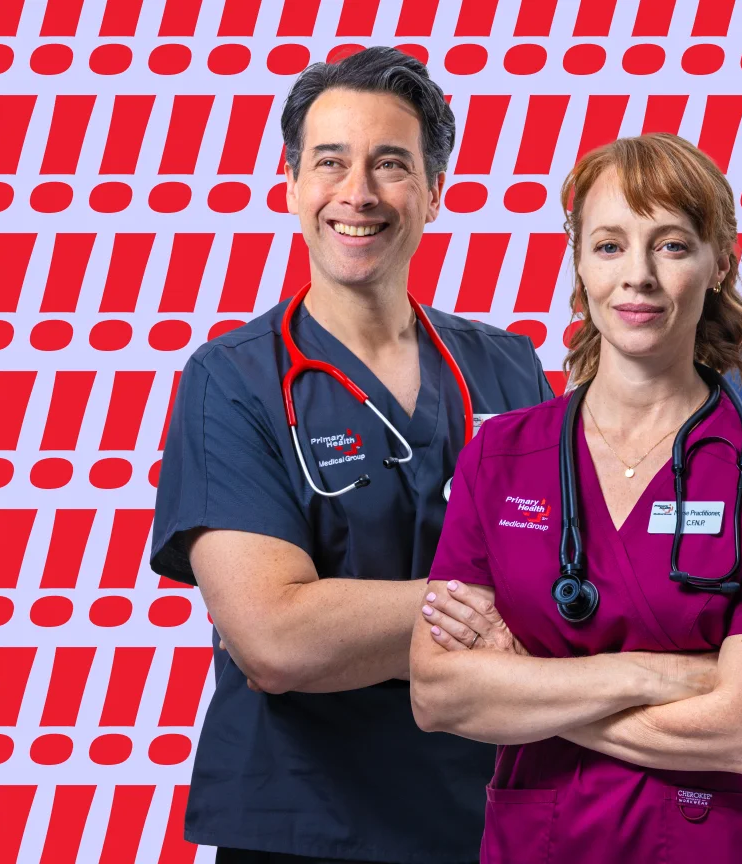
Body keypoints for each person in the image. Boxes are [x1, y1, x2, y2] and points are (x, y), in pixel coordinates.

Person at [148, 47, 554, 863]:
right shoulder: (233, 382)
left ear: (434, 192)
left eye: (391, 164)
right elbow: (277, 640)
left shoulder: (507, 367)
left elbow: (569, 588)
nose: (358, 193)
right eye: (330, 162)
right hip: (308, 826)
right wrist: (486, 598)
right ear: (292, 183)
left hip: (495, 818)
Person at [405, 134, 742, 864]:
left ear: (719, 261)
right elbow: (439, 696)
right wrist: (659, 675)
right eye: (609, 246)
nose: (637, 277)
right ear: (579, 263)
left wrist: (526, 683)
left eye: (670, 245)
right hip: (543, 841)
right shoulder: (500, 458)